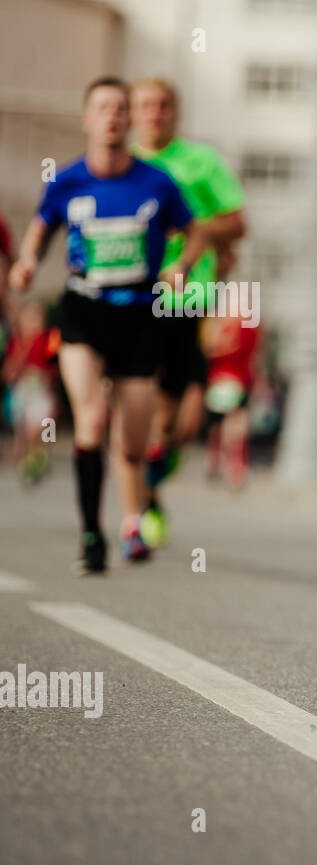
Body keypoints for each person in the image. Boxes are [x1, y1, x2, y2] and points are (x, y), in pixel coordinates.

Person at [7, 77, 206, 573]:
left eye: (121, 109)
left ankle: (132, 522)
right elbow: (40, 229)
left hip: (139, 314)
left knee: (135, 441)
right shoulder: (68, 180)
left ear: (129, 120)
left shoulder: (156, 183)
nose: (114, 117)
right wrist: (27, 263)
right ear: (87, 119)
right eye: (103, 108)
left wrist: (181, 265)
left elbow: (196, 231)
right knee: (92, 419)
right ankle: (92, 534)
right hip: (84, 309)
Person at [129, 77, 247, 545]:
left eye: (164, 105)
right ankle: (139, 504)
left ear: (175, 112)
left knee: (185, 420)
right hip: (131, 296)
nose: (154, 113)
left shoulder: (201, 162)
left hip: (187, 297)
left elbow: (238, 223)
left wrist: (193, 231)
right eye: (145, 105)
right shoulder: (123, 165)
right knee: (139, 396)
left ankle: (161, 462)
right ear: (133, 112)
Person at [201, 307, 260, 489]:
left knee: (222, 425)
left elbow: (209, 347)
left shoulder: (224, 323)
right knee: (232, 425)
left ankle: (219, 462)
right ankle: (232, 465)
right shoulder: (248, 324)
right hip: (237, 380)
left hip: (223, 379)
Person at [2, 302, 59, 483]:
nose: (34, 323)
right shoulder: (17, 342)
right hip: (23, 390)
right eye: (29, 319)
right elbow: (8, 370)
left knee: (44, 425)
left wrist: (44, 373)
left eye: (37, 318)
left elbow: (55, 363)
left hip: (43, 391)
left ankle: (40, 454)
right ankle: (29, 458)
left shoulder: (48, 339)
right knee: (24, 427)